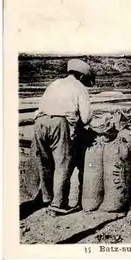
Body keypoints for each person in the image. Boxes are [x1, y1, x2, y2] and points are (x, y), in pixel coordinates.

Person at [31, 59, 95, 215]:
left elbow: (41, 107)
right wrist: (78, 121)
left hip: (39, 122)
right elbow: (86, 117)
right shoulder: (79, 88)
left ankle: (47, 198)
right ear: (81, 77)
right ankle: (58, 204)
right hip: (60, 124)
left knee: (45, 162)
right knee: (63, 163)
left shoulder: (54, 84)